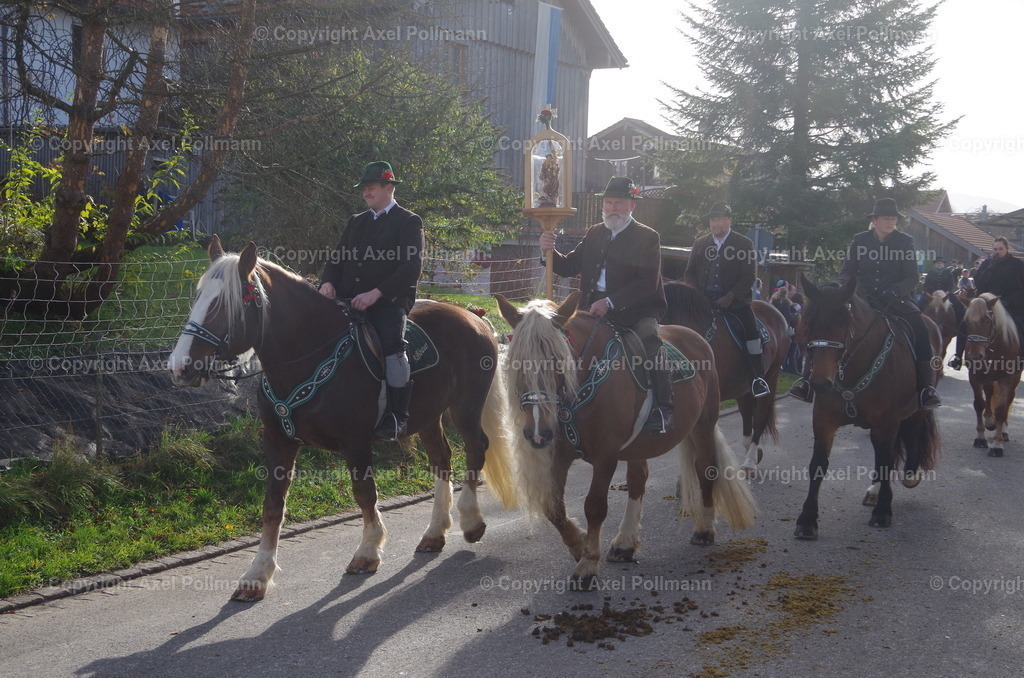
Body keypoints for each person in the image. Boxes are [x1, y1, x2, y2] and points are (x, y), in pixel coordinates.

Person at [539, 176, 672, 433]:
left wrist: (610, 302)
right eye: (609, 202)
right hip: (591, 309)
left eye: (619, 203)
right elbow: (568, 266)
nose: (612, 208)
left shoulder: (648, 237)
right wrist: (547, 251)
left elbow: (647, 283)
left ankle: (663, 408)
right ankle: (560, 404)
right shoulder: (595, 232)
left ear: (632, 205)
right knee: (559, 343)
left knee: (650, 342)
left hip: (636, 310)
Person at [790, 198, 940, 408]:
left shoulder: (904, 241)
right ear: (875, 220)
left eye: (893, 218)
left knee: (920, 329)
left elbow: (912, 277)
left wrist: (895, 290)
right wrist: (840, 288)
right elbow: (847, 271)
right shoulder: (860, 240)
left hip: (894, 299)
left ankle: (926, 389)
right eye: (886, 218)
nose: (890, 221)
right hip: (861, 297)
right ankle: (806, 382)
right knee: (823, 326)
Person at [319, 161, 424, 440]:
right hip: (346, 297)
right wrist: (327, 282)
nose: (366, 193)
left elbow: (410, 268)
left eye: (371, 188)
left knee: (392, 345)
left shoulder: (408, 221)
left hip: (389, 301)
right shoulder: (356, 221)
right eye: (364, 189)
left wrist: (376, 293)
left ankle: (397, 415)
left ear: (389, 188)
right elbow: (337, 257)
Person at [684, 202, 771, 398]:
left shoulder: (743, 244)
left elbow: (749, 276)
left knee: (752, 331)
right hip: (703, 302)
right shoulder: (700, 243)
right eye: (713, 220)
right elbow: (689, 273)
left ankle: (758, 377)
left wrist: (729, 297)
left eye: (720, 219)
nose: (716, 224)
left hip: (735, 303)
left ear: (729, 220)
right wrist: (696, 295)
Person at [954, 237, 1024, 362]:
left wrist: (1007, 301)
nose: (998, 251)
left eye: (1001, 249)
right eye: (995, 249)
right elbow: (978, 282)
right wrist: (989, 268)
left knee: (1020, 324)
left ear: (1007, 248)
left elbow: (1020, 288)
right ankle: (958, 356)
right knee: (965, 323)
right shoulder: (987, 263)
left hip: (1008, 303)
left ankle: (1021, 358)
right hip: (985, 304)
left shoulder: (1017, 264)